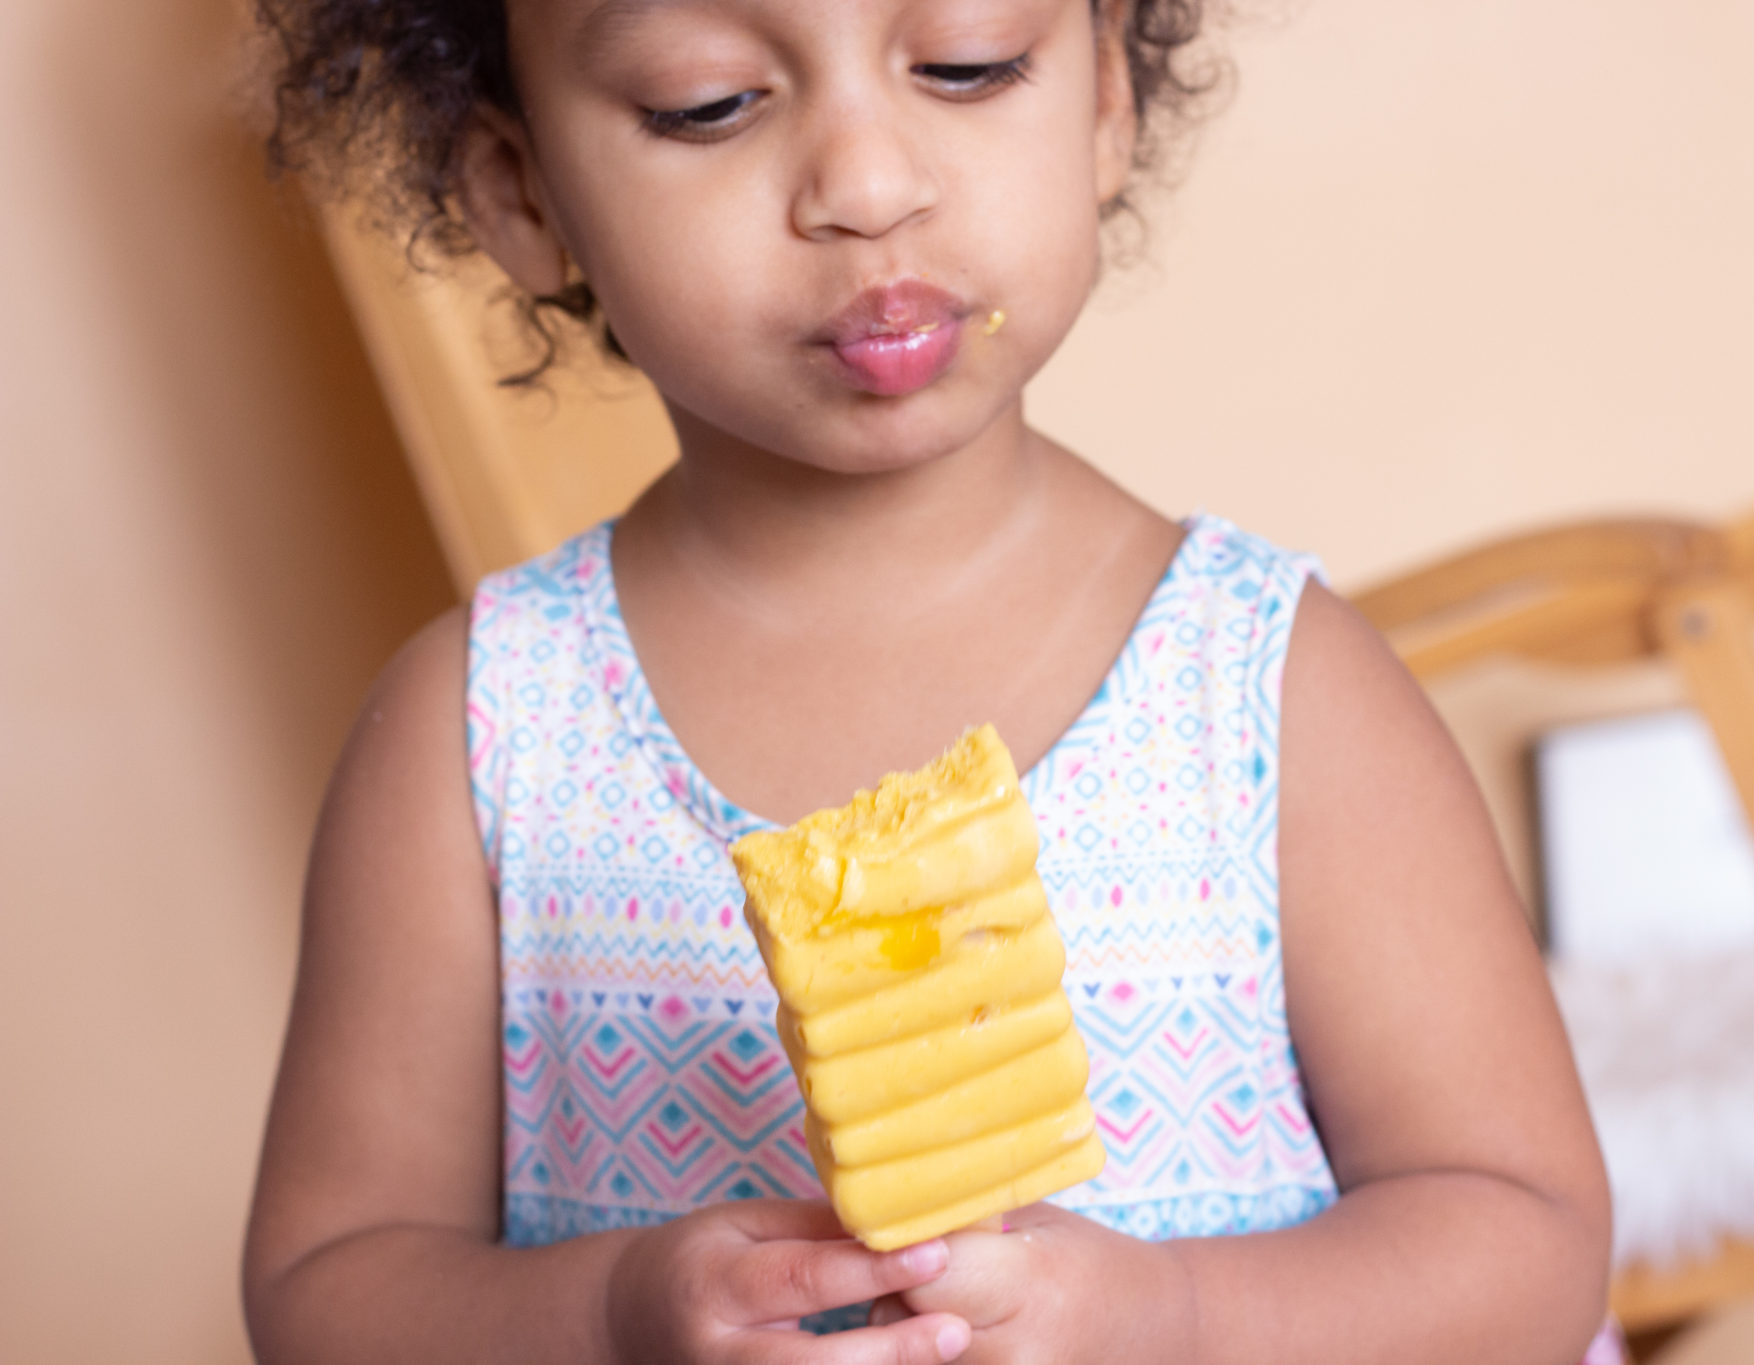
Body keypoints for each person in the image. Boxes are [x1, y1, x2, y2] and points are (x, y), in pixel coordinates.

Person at [243, 0, 1620, 1361]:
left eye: (967, 64)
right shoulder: (480, 735)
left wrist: (1181, 1321)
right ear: (522, 192)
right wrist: (608, 1319)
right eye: (707, 101)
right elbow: (330, 1289)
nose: (868, 184)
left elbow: (1528, 1240)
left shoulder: (1267, 687)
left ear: (1100, 105)